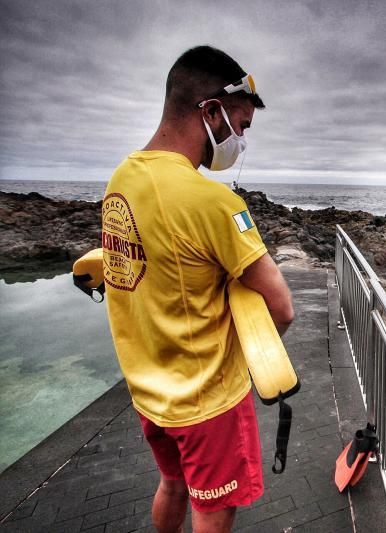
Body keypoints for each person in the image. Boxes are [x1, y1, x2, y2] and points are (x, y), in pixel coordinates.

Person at [101, 46, 294, 533]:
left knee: (172, 486)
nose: (240, 140)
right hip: (206, 399)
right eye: (241, 126)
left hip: (148, 391)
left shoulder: (119, 181)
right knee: (212, 507)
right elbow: (281, 308)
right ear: (210, 111)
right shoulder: (212, 201)